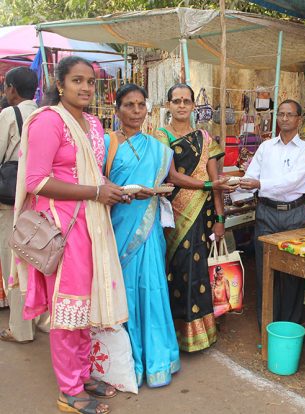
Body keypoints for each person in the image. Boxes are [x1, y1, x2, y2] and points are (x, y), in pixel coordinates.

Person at [12, 56, 128, 414]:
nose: (85, 88)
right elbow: (37, 181)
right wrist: (95, 192)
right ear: (59, 84)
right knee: (69, 308)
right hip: (63, 228)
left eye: (91, 82)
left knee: (83, 307)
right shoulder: (49, 121)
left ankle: (82, 373)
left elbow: (88, 175)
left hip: (90, 224)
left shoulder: (93, 124)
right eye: (77, 80)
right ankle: (69, 390)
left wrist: (110, 187)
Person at [105, 83, 180, 387]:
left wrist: (211, 186)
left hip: (148, 230)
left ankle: (157, 361)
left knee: (151, 288)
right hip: (118, 226)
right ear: (117, 109)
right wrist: (125, 195)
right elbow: (99, 184)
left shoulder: (160, 149)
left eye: (141, 105)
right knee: (123, 293)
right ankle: (126, 365)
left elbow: (173, 179)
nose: (136, 111)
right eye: (129, 105)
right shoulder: (107, 143)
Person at [155, 83, 235, 352]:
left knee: (199, 272)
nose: (180, 105)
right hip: (174, 214)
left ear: (192, 106)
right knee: (175, 272)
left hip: (202, 214)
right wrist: (208, 187)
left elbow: (216, 181)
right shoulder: (162, 136)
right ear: (168, 105)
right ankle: (175, 333)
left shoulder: (204, 137)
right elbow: (172, 176)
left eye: (186, 101)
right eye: (175, 100)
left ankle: (199, 334)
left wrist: (221, 219)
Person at [240, 99, 305, 327]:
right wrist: (239, 188)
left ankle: (290, 323)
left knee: (292, 270)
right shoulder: (266, 147)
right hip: (267, 213)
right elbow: (251, 174)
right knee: (265, 270)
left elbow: (292, 182)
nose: (284, 118)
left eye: (289, 114)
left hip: (294, 214)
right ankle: (267, 323)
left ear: (298, 119)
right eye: (281, 114)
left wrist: (259, 184)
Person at [0, 67, 50, 342]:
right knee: (39, 259)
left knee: (14, 261)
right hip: (42, 199)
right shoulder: (46, 114)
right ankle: (42, 319)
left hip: (13, 201)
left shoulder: (10, 114)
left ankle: (20, 329)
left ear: (11, 89)